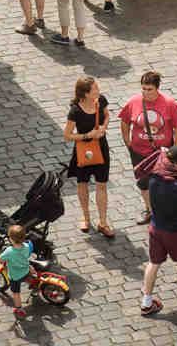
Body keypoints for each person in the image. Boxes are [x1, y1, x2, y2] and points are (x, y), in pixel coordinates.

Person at [122, 71, 177, 222]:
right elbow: (125, 120)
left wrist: (176, 149)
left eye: (149, 89)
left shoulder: (169, 104)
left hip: (163, 152)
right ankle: (150, 210)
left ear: (157, 88)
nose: (145, 92)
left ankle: (166, 210)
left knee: (166, 182)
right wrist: (127, 141)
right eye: (143, 88)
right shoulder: (134, 102)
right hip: (139, 151)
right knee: (143, 183)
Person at [141, 144, 177, 315]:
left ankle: (146, 301)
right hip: (175, 230)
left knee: (154, 263)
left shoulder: (154, 175)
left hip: (155, 227)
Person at [63, 75, 113, 236]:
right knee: (82, 183)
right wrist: (87, 135)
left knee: (102, 184)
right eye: (95, 89)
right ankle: (85, 217)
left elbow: (106, 116)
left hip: (101, 147)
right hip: (83, 151)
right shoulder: (76, 110)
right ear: (85, 94)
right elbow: (68, 135)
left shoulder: (101, 101)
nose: (98, 91)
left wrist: (103, 129)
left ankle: (103, 222)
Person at [0, 223, 35, 318]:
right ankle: (35, 286)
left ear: (11, 239)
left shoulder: (9, 251)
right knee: (28, 278)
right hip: (25, 269)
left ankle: (19, 308)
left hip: (15, 276)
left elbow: (0, 259)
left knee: (16, 293)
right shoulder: (26, 246)